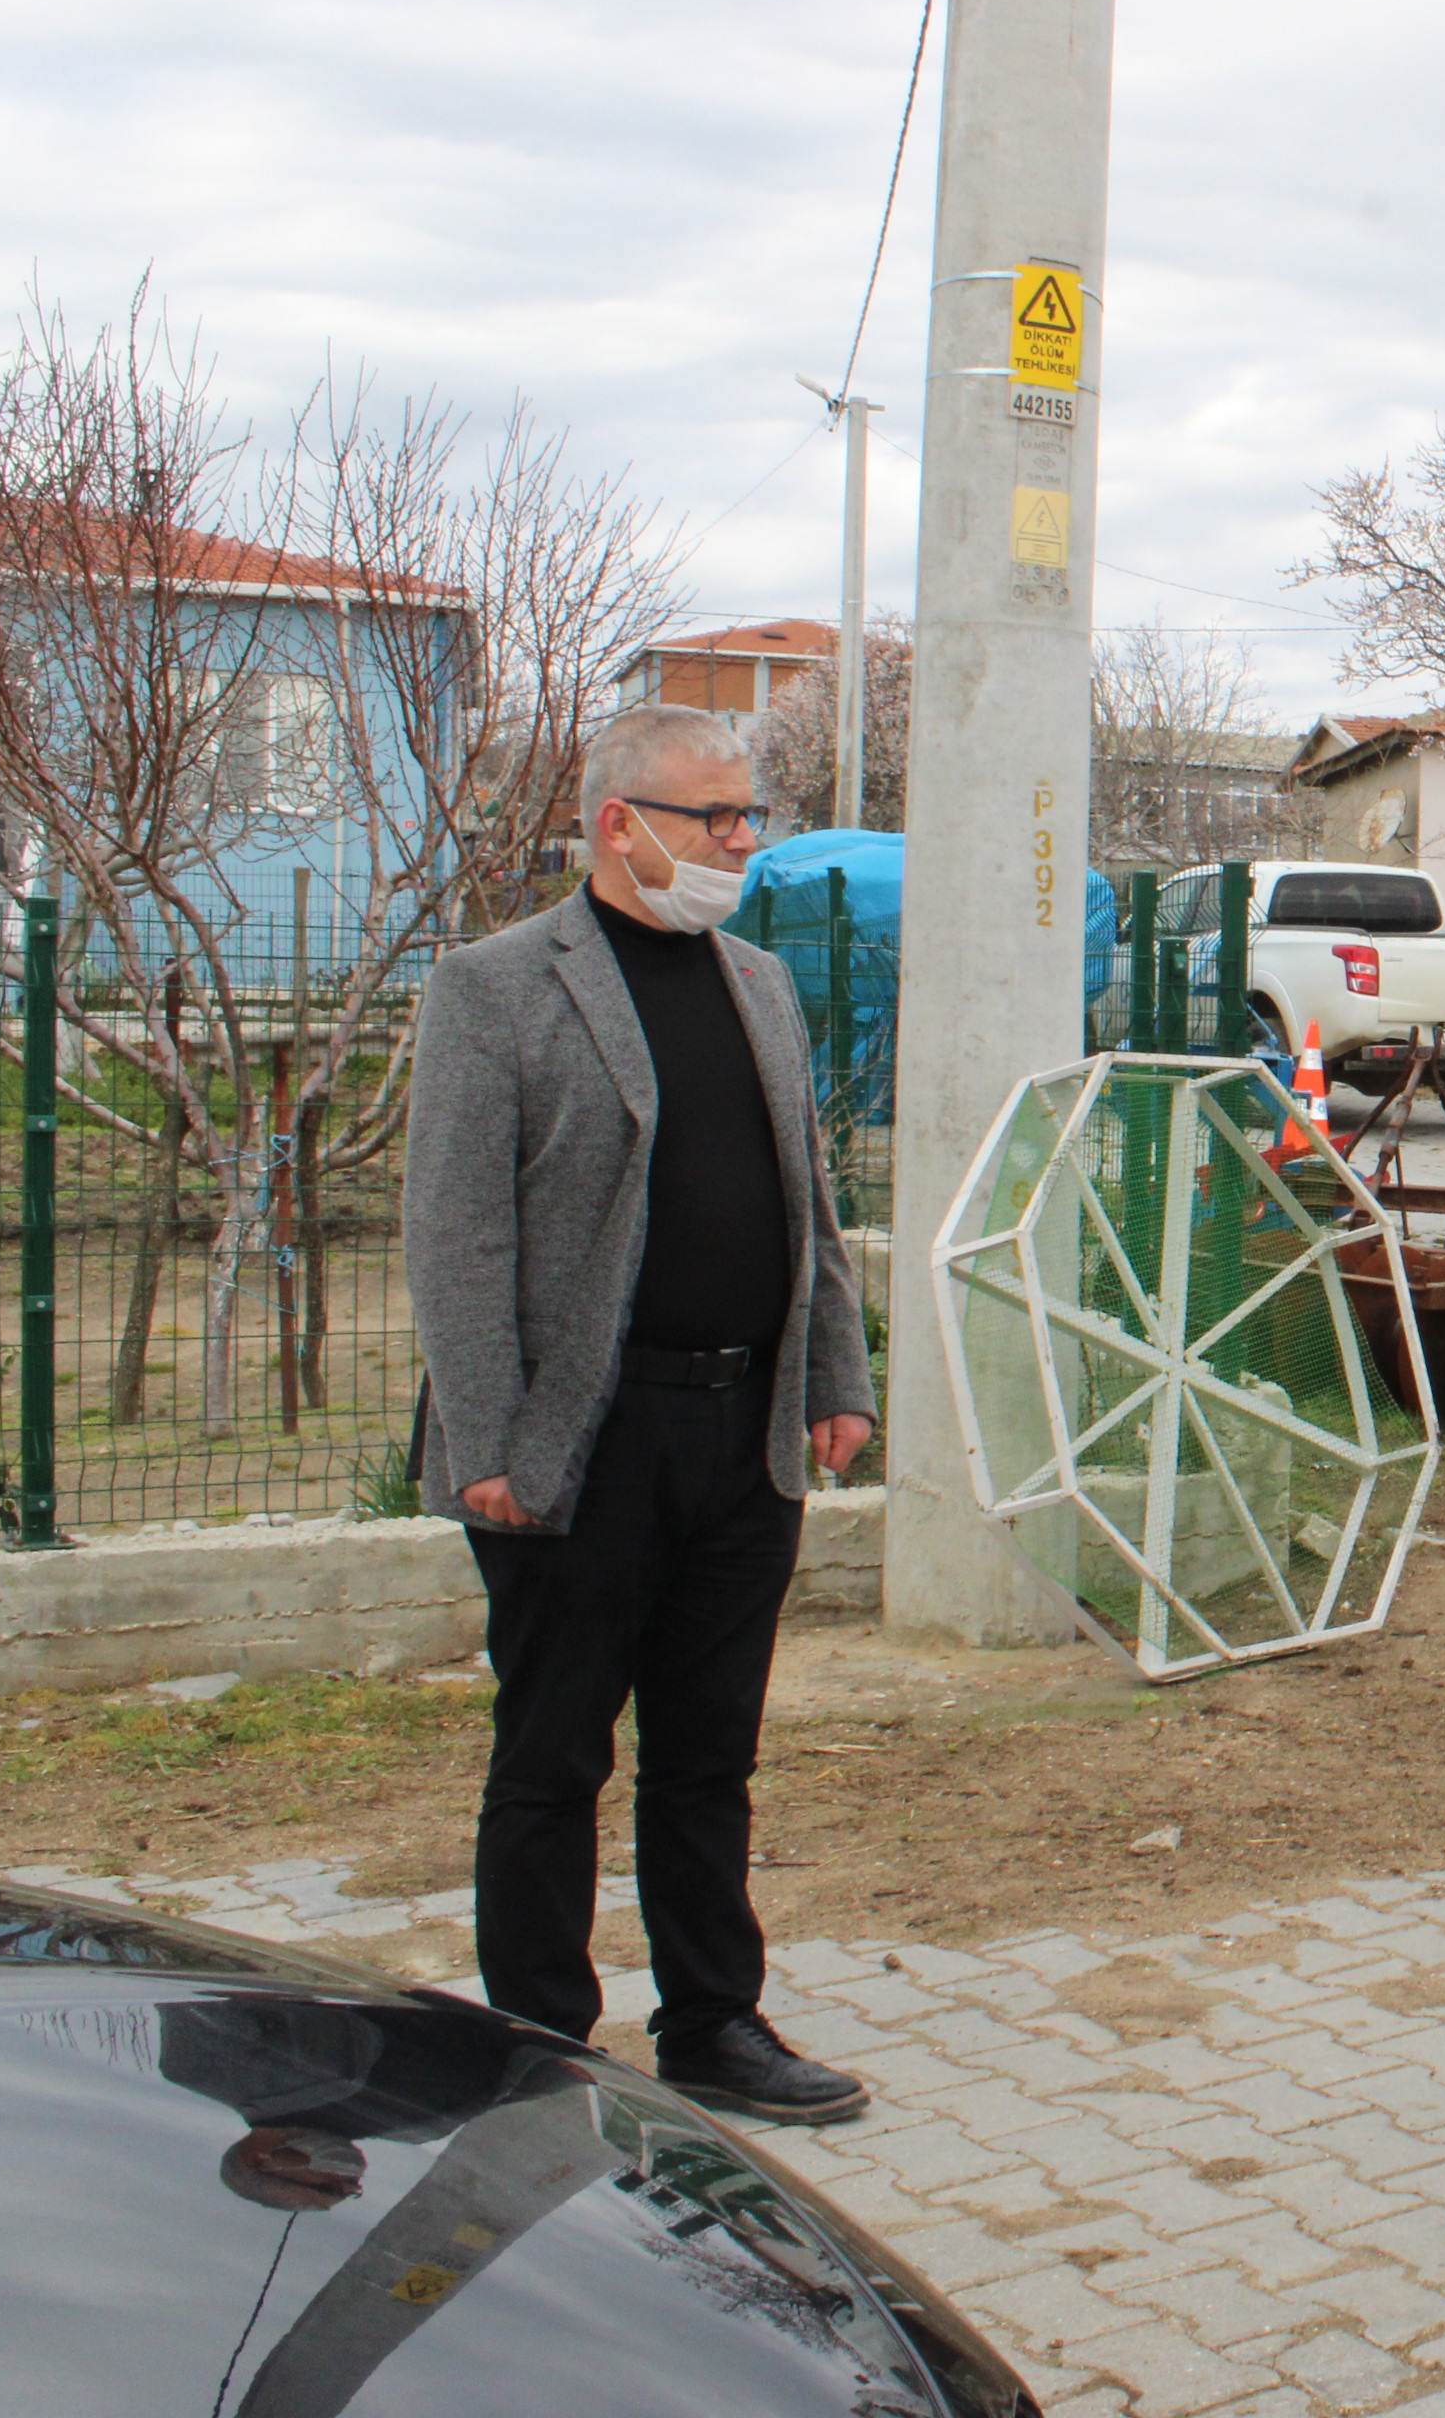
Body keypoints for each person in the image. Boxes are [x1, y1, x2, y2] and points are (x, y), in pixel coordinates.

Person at [404, 704, 879, 2123]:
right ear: (619, 824)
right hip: (578, 1444)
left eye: (749, 817)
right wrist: (488, 1445)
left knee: (709, 1756)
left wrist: (835, 1380)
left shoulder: (760, 984)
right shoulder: (495, 987)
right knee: (553, 1753)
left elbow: (813, 1204)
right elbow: (456, 1236)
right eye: (713, 818)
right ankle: (542, 2043)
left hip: (741, 1435)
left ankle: (714, 2025)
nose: (742, 842)